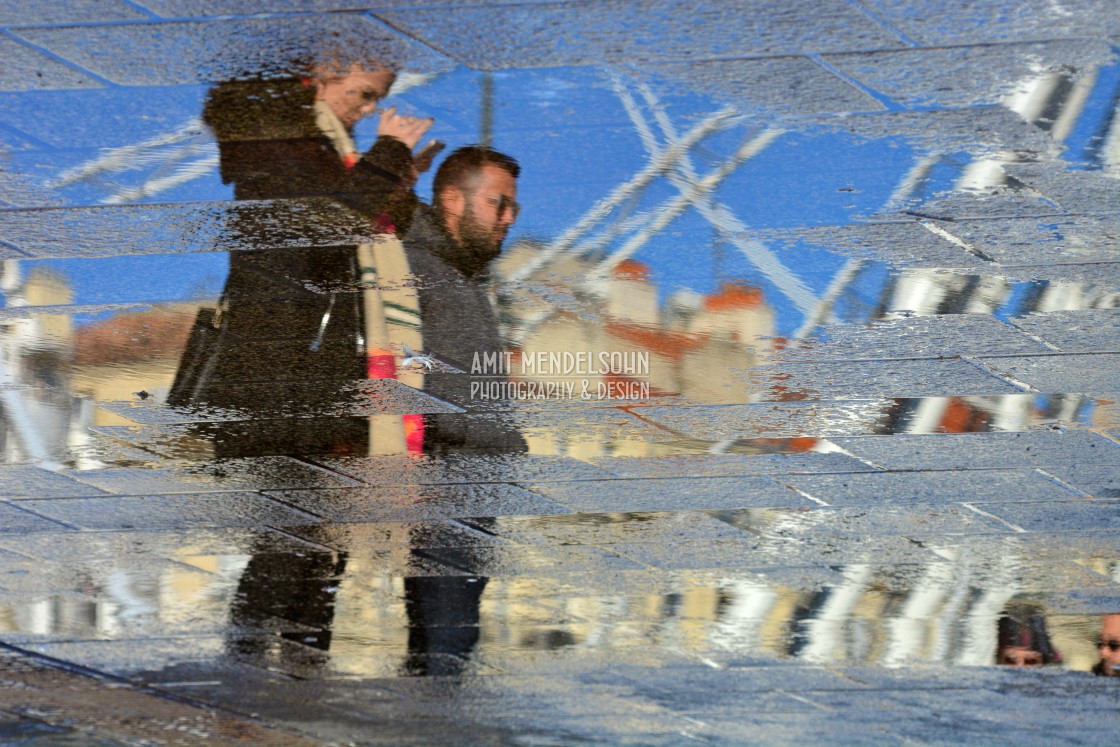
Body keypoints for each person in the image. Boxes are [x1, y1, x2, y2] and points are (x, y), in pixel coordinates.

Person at [170, 55, 434, 456]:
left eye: (375, 99)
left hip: (301, 368)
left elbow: (346, 228)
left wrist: (395, 179)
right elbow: (331, 228)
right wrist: (389, 152)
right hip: (280, 374)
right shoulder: (277, 142)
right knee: (279, 499)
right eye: (363, 95)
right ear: (325, 74)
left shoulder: (320, 147)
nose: (367, 111)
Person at [401, 145, 526, 453]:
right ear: (453, 200)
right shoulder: (410, 268)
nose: (509, 218)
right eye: (498, 204)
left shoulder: (465, 283)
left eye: (514, 209)